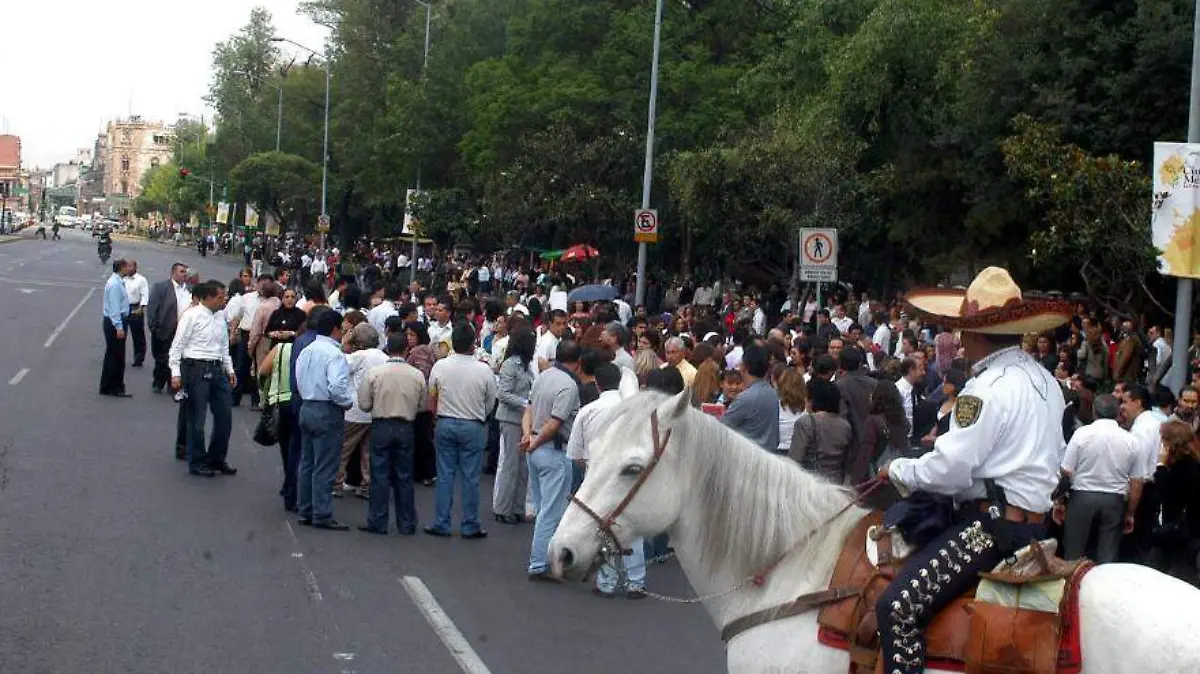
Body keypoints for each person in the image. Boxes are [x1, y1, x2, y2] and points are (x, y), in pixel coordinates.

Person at [876, 267, 1070, 674]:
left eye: (962, 332)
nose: (961, 343)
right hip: (1034, 526)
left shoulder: (985, 388)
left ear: (974, 333)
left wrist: (899, 470)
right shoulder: (1048, 382)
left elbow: (950, 470)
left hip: (990, 531)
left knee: (896, 607)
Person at [566, 363, 646, 598]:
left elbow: (576, 455)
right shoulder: (633, 410)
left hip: (598, 476)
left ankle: (607, 582)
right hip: (629, 475)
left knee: (602, 529)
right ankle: (636, 582)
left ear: (597, 383)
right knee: (633, 527)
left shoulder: (588, 411)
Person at [424, 322, 498, 538]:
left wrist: (437, 415)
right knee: (470, 477)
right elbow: (490, 402)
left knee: (445, 475)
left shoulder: (440, 366)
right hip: (472, 424)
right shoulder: (484, 370)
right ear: (473, 344)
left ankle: (441, 522)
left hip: (445, 422)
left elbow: (431, 398)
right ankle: (470, 524)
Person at [522, 339, 583, 580]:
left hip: (536, 447)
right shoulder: (568, 386)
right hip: (552, 450)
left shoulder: (543, 377)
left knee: (542, 508)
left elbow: (527, 409)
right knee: (551, 512)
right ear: (577, 362)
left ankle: (547, 560)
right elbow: (555, 423)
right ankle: (539, 563)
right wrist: (535, 441)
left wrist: (528, 436)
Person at [357, 334, 428, 535]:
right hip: (406, 426)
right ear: (406, 350)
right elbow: (422, 405)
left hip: (381, 424)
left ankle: (377, 521)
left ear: (388, 349)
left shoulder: (375, 373)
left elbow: (364, 404)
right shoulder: (416, 375)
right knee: (404, 476)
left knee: (379, 474)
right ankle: (406, 523)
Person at [1057, 394, 1138, 563]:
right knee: (1108, 555)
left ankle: (1072, 585)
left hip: (1082, 496)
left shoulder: (1082, 434)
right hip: (1114, 499)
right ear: (1118, 413)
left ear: (1094, 411)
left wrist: (1058, 501)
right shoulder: (1131, 440)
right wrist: (1130, 512)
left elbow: (1065, 470)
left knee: (1073, 552)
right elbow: (1137, 479)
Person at [169, 281, 237, 478]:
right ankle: (197, 461)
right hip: (196, 369)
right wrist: (175, 373)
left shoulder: (220, 317)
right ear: (207, 297)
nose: (223, 301)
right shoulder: (191, 316)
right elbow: (177, 346)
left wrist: (229, 370)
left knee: (225, 417)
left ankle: (216, 458)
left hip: (217, 369)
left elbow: (224, 346)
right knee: (196, 420)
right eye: (219, 297)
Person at [295, 309, 354, 530]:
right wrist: (346, 402)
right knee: (325, 464)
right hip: (326, 410)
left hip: (307, 405)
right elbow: (337, 387)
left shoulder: (307, 350)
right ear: (335, 330)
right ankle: (322, 513)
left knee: (307, 462)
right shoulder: (334, 354)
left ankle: (305, 509)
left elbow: (299, 378)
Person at [336, 323, 387, 500]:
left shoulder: (358, 356)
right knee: (368, 452)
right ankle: (368, 485)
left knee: (343, 449)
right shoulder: (384, 357)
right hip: (376, 410)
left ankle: (336, 483)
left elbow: (339, 363)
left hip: (355, 410)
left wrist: (344, 342)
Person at [494, 326, 536, 525]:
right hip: (511, 418)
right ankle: (502, 508)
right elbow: (502, 393)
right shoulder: (511, 365)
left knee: (523, 467)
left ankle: (517, 507)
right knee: (510, 465)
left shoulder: (526, 366)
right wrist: (524, 402)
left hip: (523, 419)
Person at [789, 379, 853, 483]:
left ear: (813, 400)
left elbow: (795, 459)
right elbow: (847, 461)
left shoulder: (805, 422)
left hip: (811, 483)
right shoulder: (845, 425)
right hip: (836, 483)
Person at [721, 342, 781, 451]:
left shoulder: (745, 398)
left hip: (749, 458)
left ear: (744, 366)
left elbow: (721, 428)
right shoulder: (773, 394)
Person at [147, 263, 191, 393]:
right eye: (182, 272)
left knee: (176, 357)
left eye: (185, 272)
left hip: (181, 329)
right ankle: (158, 382)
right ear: (173, 273)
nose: (184, 275)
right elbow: (152, 308)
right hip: (165, 329)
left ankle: (173, 384)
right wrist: (154, 327)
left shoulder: (188, 289)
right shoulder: (161, 287)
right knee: (162, 358)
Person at [100, 259, 134, 397]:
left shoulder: (118, 281)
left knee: (113, 355)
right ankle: (114, 387)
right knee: (116, 356)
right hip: (115, 322)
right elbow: (114, 307)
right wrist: (119, 326)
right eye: (127, 267)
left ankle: (109, 385)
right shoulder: (115, 284)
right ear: (122, 268)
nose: (129, 269)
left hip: (116, 321)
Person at [123, 260, 149, 367]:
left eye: (130, 266)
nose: (128, 268)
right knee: (120, 333)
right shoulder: (123, 279)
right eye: (126, 266)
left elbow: (145, 294)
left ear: (135, 267)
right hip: (123, 308)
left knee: (138, 335)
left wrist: (141, 308)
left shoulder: (141, 280)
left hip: (135, 308)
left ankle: (139, 358)